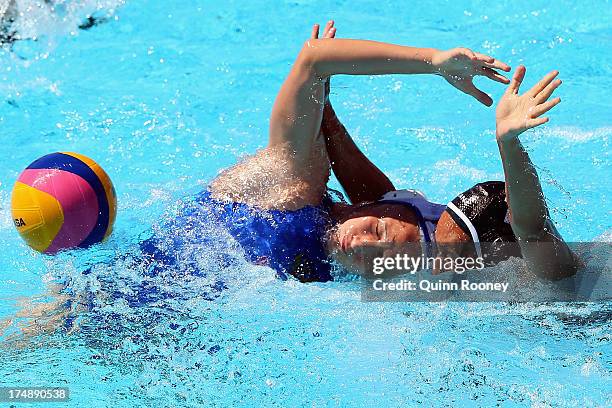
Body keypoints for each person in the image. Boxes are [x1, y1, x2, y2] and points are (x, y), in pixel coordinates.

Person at [142, 21, 578, 283]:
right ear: (377, 207)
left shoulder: (368, 243)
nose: (363, 247)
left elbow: (534, 238)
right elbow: (314, 60)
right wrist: (434, 62)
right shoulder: (294, 181)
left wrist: (325, 110)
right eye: (383, 236)